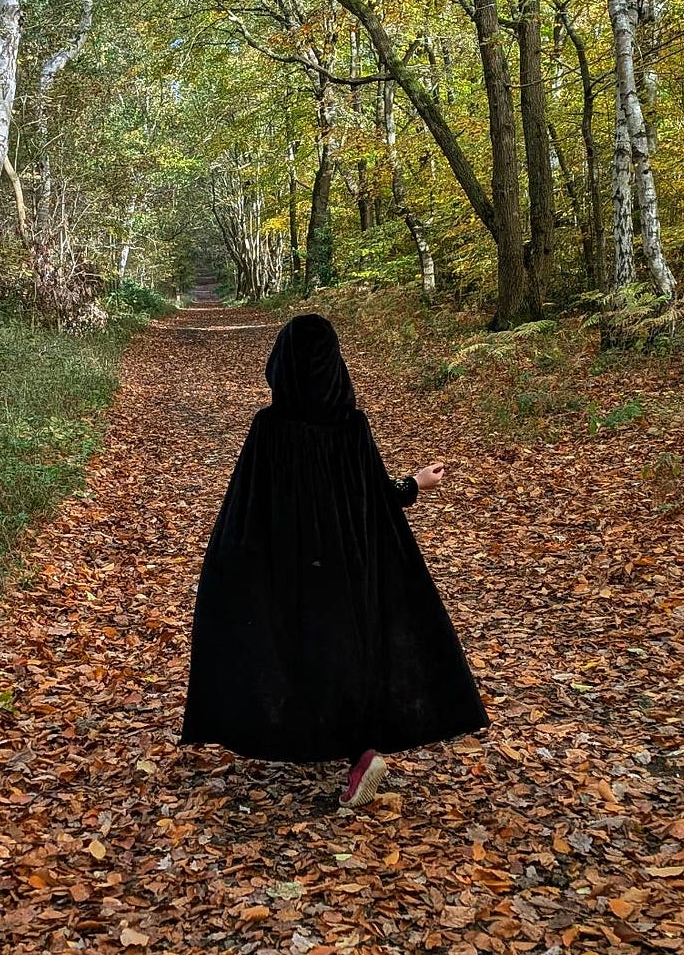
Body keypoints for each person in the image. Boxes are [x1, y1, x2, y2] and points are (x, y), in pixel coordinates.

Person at [182, 313, 488, 807]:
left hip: (288, 572)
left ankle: (306, 737)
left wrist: (230, 574)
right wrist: (414, 485)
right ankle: (359, 752)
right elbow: (372, 495)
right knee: (348, 652)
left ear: (281, 365)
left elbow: (245, 510)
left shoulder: (270, 429)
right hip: (346, 569)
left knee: (296, 650)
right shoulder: (350, 426)